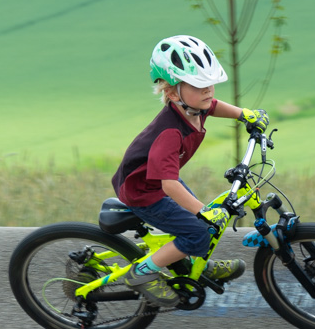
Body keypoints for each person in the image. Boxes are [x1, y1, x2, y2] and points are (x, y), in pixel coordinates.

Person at [111, 35, 269, 307]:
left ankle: (195, 265)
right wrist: (204, 212)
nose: (208, 90)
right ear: (172, 93)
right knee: (198, 230)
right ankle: (142, 273)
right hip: (145, 192)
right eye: (198, 85)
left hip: (158, 182)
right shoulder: (170, 132)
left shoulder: (195, 107)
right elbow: (169, 185)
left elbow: (215, 107)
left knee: (199, 222)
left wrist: (245, 114)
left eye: (210, 83)